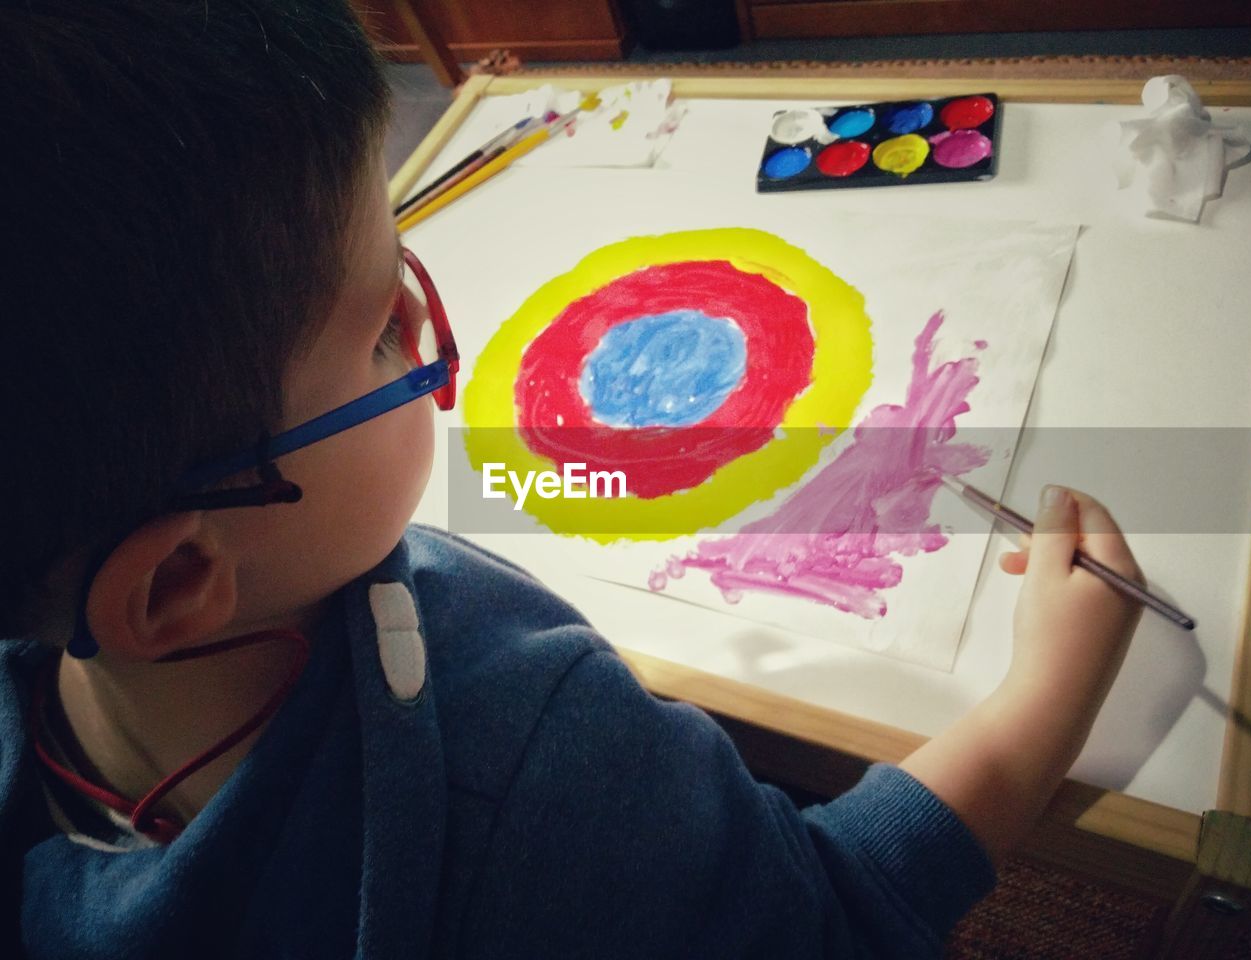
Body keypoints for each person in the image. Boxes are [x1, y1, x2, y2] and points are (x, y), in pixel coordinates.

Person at [0, 2, 1143, 957]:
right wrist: (1043, 698)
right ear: (181, 576)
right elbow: (825, 914)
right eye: (382, 331)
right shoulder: (544, 767)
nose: (421, 326)